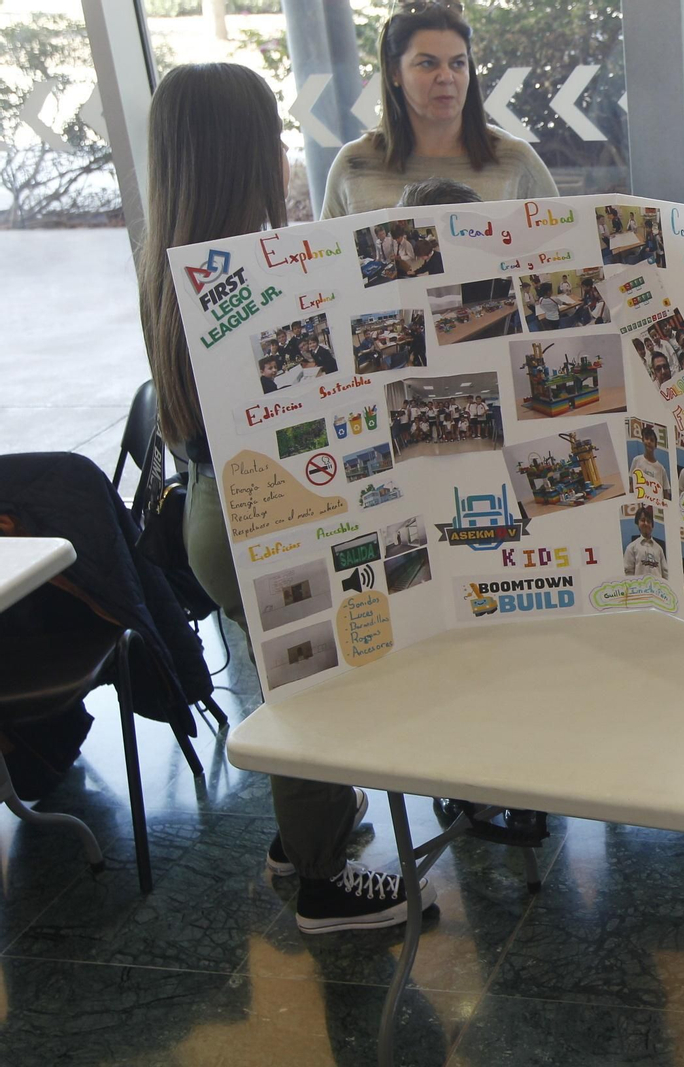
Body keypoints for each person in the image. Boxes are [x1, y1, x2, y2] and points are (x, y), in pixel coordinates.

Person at [136, 62, 436, 933]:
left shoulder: (177, 263)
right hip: (255, 519)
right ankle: (321, 883)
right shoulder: (251, 275)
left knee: (290, 679)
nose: (280, 151)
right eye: (267, 135)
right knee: (310, 694)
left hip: (213, 508)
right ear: (239, 152)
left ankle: (311, 834)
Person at [321, 0, 557, 217]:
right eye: (427, 63)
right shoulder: (354, 164)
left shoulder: (515, 159)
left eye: (457, 63)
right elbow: (328, 261)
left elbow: (565, 250)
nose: (446, 77)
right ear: (395, 72)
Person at [622, 505, 669, 580]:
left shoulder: (659, 549)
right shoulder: (631, 547)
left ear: (652, 526)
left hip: (657, 590)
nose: (646, 523)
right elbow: (628, 574)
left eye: (649, 521)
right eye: (643, 520)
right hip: (639, 590)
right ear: (638, 523)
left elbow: (665, 574)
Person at [629, 424, 671, 501]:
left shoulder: (661, 469)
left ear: (656, 445)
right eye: (647, 438)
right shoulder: (637, 460)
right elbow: (632, 486)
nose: (649, 442)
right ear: (643, 440)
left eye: (652, 440)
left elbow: (665, 495)